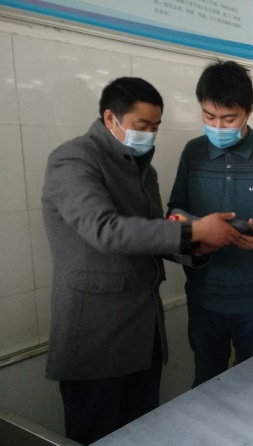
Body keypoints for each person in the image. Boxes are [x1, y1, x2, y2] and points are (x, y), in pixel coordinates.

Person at [41, 77, 240, 445]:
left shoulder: (143, 169)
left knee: (143, 432)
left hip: (144, 333)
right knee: (97, 434)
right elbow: (106, 231)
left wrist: (197, 248)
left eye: (155, 126)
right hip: (96, 337)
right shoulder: (73, 159)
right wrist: (194, 231)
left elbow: (151, 232)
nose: (149, 134)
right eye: (142, 125)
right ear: (110, 118)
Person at [167, 60, 253, 388]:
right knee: (206, 382)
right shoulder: (193, 153)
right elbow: (176, 208)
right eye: (209, 117)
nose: (218, 126)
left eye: (229, 119)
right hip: (204, 295)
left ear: (249, 111)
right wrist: (198, 228)